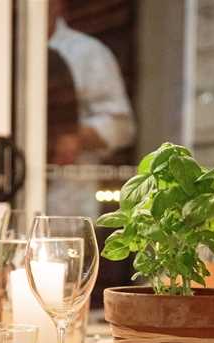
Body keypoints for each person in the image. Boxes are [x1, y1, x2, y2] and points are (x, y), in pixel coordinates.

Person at [47, 0, 135, 218]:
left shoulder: (87, 52)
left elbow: (122, 127)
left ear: (57, 4)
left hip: (67, 203)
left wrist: (75, 137)